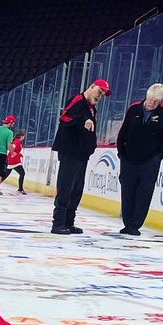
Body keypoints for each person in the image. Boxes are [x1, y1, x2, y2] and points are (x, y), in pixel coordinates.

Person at [52, 78, 110, 234]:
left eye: (103, 94)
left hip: (81, 155)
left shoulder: (91, 107)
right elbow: (64, 117)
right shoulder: (78, 100)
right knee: (66, 187)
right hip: (70, 152)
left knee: (76, 189)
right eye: (99, 91)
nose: (100, 96)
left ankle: (69, 222)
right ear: (92, 87)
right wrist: (82, 120)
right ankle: (58, 223)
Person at [116, 83, 163, 237]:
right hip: (129, 158)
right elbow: (123, 132)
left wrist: (159, 155)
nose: (152, 103)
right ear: (147, 96)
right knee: (128, 190)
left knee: (144, 192)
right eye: (151, 99)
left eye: (156, 101)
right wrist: (121, 152)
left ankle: (135, 224)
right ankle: (127, 223)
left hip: (150, 160)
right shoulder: (134, 108)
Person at [7, 130, 27, 194]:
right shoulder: (17, 141)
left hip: (14, 159)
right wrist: (15, 154)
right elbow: (12, 148)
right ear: (21, 136)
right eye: (24, 136)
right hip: (14, 160)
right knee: (22, 173)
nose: (24, 137)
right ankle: (20, 189)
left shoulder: (18, 141)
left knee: (6, 174)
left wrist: (18, 154)